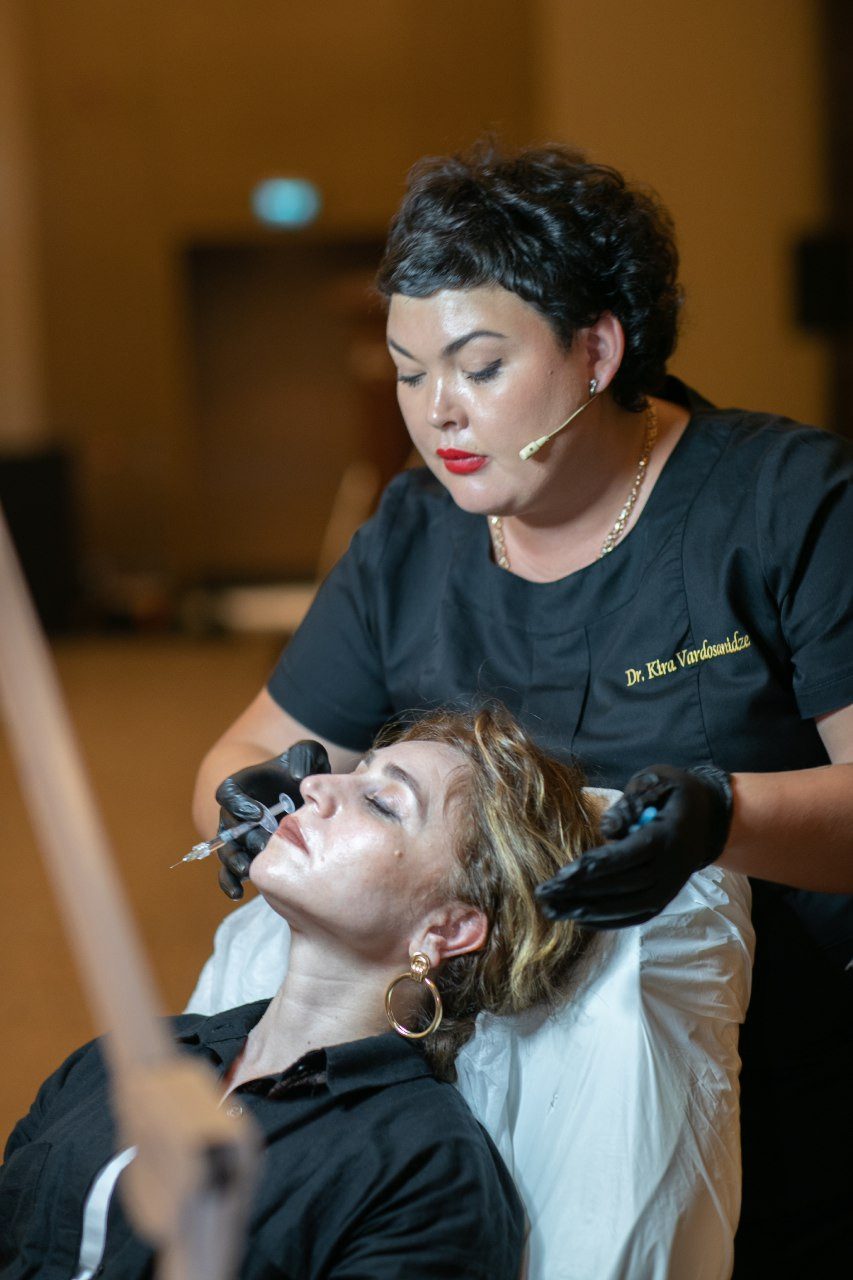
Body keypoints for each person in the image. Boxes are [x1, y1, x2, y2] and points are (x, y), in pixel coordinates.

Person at [191, 141, 853, 1276]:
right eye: (408, 373)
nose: (436, 414)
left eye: (480, 367)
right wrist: (244, 804)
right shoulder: (414, 532)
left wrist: (721, 818)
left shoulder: (784, 503)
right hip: (472, 1084)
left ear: (597, 349)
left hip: (793, 1076)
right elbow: (247, 749)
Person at [2, 705, 610, 1279]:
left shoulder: (426, 1169)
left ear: (447, 929)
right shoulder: (130, 1059)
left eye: (381, 803)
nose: (314, 786)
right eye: (357, 770)